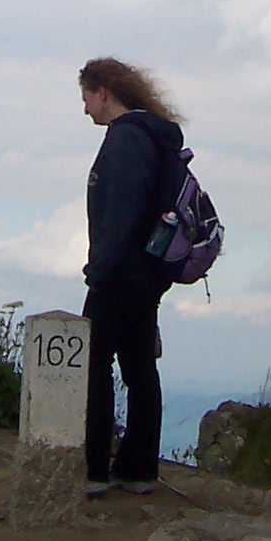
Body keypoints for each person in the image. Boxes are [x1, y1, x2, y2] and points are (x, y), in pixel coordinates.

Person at [79, 56, 186, 498]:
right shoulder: (153, 136)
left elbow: (122, 211)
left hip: (122, 271)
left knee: (93, 361)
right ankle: (138, 469)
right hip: (149, 269)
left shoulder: (125, 139)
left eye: (86, 97)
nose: (85, 108)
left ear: (103, 92)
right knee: (140, 366)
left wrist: (99, 270)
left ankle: (94, 468)